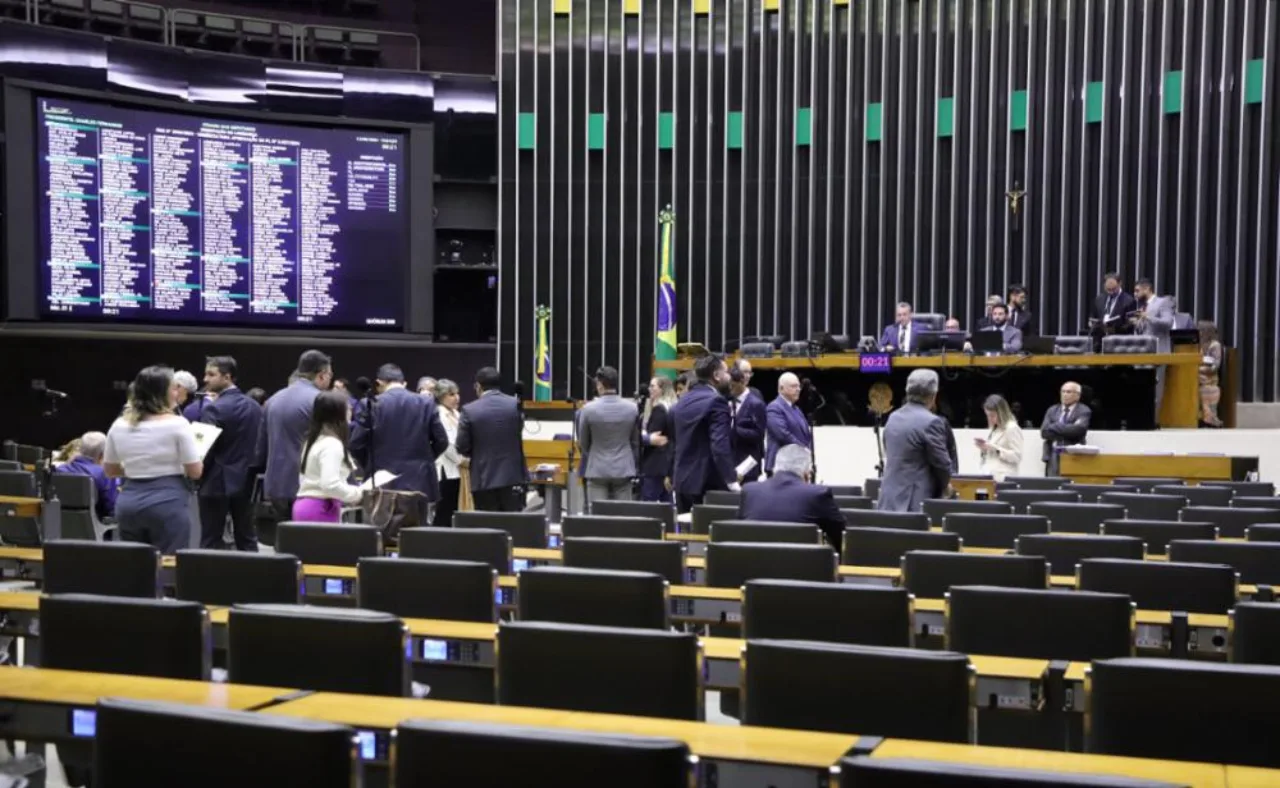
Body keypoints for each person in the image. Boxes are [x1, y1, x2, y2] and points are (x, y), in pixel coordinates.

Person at [103, 365, 202, 553]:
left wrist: (138, 467)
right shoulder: (178, 424)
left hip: (128, 503)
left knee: (133, 567)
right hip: (168, 502)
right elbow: (195, 472)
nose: (177, 393)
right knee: (169, 566)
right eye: (174, 388)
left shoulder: (119, 424)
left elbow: (109, 470)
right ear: (161, 393)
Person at [352, 363, 451, 527]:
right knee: (418, 537)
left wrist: (372, 463)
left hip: (381, 482)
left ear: (379, 383)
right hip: (420, 480)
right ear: (403, 382)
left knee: (380, 534)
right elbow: (442, 441)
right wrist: (424, 459)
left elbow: (356, 444)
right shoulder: (425, 403)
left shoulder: (370, 403)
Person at [256, 350, 333, 543]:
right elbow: (331, 448)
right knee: (313, 547)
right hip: (309, 488)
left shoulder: (273, 400)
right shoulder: (321, 401)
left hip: (276, 485)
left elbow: (261, 450)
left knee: (284, 546)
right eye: (330, 376)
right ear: (322, 374)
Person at [197, 356, 264, 551]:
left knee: (210, 540)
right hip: (247, 480)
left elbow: (201, 449)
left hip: (215, 481)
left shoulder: (213, 408)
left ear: (227, 377)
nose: (205, 379)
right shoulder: (254, 407)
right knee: (247, 537)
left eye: (211, 374)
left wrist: (196, 478)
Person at [737, 444, 845, 547]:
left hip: (752, 564)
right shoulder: (818, 494)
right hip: (802, 565)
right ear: (807, 473)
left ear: (775, 468)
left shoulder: (749, 491)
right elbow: (843, 537)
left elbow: (739, 533)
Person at [876, 369, 953, 513]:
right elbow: (942, 464)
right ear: (933, 395)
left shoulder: (893, 418)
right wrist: (945, 486)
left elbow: (888, 450)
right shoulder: (932, 422)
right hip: (914, 503)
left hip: (888, 500)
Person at [670, 354, 738, 512]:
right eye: (726, 372)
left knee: (686, 535)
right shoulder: (717, 402)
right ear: (716, 375)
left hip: (681, 482)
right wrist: (731, 480)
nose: (729, 376)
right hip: (707, 485)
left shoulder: (682, 401)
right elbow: (719, 445)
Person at [457, 366, 528, 511]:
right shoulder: (515, 405)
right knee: (514, 524)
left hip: (483, 477)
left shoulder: (469, 410)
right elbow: (518, 432)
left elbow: (462, 446)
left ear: (478, 386)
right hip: (513, 475)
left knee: (486, 525)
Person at [293, 389, 364, 522]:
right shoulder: (332, 444)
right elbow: (330, 485)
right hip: (321, 508)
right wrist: (358, 493)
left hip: (306, 505)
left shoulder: (313, 440)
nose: (351, 411)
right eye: (347, 408)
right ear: (338, 414)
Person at [576, 366, 640, 505]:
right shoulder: (632, 408)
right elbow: (635, 441)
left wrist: (593, 453)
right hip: (623, 468)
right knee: (623, 517)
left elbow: (583, 443)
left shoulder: (587, 409)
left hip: (597, 468)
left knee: (598, 518)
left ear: (599, 384)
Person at [56, 431, 120, 521]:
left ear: (80, 450)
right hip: (98, 530)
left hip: (62, 528)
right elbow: (112, 509)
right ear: (102, 454)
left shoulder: (59, 470)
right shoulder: (104, 473)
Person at [638, 376, 676, 502]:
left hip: (655, 464)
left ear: (662, 389)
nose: (649, 389)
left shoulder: (660, 409)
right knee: (667, 504)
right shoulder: (672, 407)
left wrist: (643, 435)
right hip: (666, 463)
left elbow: (654, 436)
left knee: (649, 504)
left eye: (652, 386)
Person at [1040, 381, 1091, 474]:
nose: (1065, 394)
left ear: (1078, 395)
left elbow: (1078, 431)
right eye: (1063, 391)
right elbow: (1044, 432)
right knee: (1052, 484)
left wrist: (1055, 426)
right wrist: (1067, 428)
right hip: (1052, 454)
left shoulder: (1084, 410)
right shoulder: (1052, 410)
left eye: (1068, 392)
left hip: (1074, 455)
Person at [433, 379, 465, 526]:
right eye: (451, 394)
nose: (456, 397)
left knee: (453, 507)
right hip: (446, 467)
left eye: (457, 393)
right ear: (441, 396)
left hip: (459, 469)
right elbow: (447, 444)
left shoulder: (457, 414)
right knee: (445, 508)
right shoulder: (438, 414)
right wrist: (462, 460)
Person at [765, 372, 811, 474]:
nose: (798, 389)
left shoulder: (797, 409)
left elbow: (805, 435)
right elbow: (782, 434)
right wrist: (802, 449)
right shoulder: (774, 407)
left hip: (797, 466)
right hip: (779, 466)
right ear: (781, 388)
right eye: (794, 386)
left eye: (799, 386)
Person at [729, 364, 766, 482]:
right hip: (729, 463)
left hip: (747, 464)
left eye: (732, 386)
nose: (730, 389)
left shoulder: (756, 404)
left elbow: (759, 435)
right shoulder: (726, 400)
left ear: (741, 382)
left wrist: (736, 430)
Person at [975, 394, 1023, 481]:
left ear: (1001, 413)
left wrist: (996, 449)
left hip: (1004, 478)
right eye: (988, 415)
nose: (990, 419)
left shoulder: (1012, 428)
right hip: (989, 476)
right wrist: (984, 448)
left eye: (992, 415)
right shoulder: (995, 429)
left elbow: (1017, 456)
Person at [1198, 321, 1224, 427]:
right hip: (1198, 374)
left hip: (1209, 376)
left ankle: (1210, 418)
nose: (1198, 333)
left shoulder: (1215, 345)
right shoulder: (1199, 344)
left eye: (1200, 330)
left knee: (1205, 385)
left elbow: (1215, 365)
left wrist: (1200, 369)